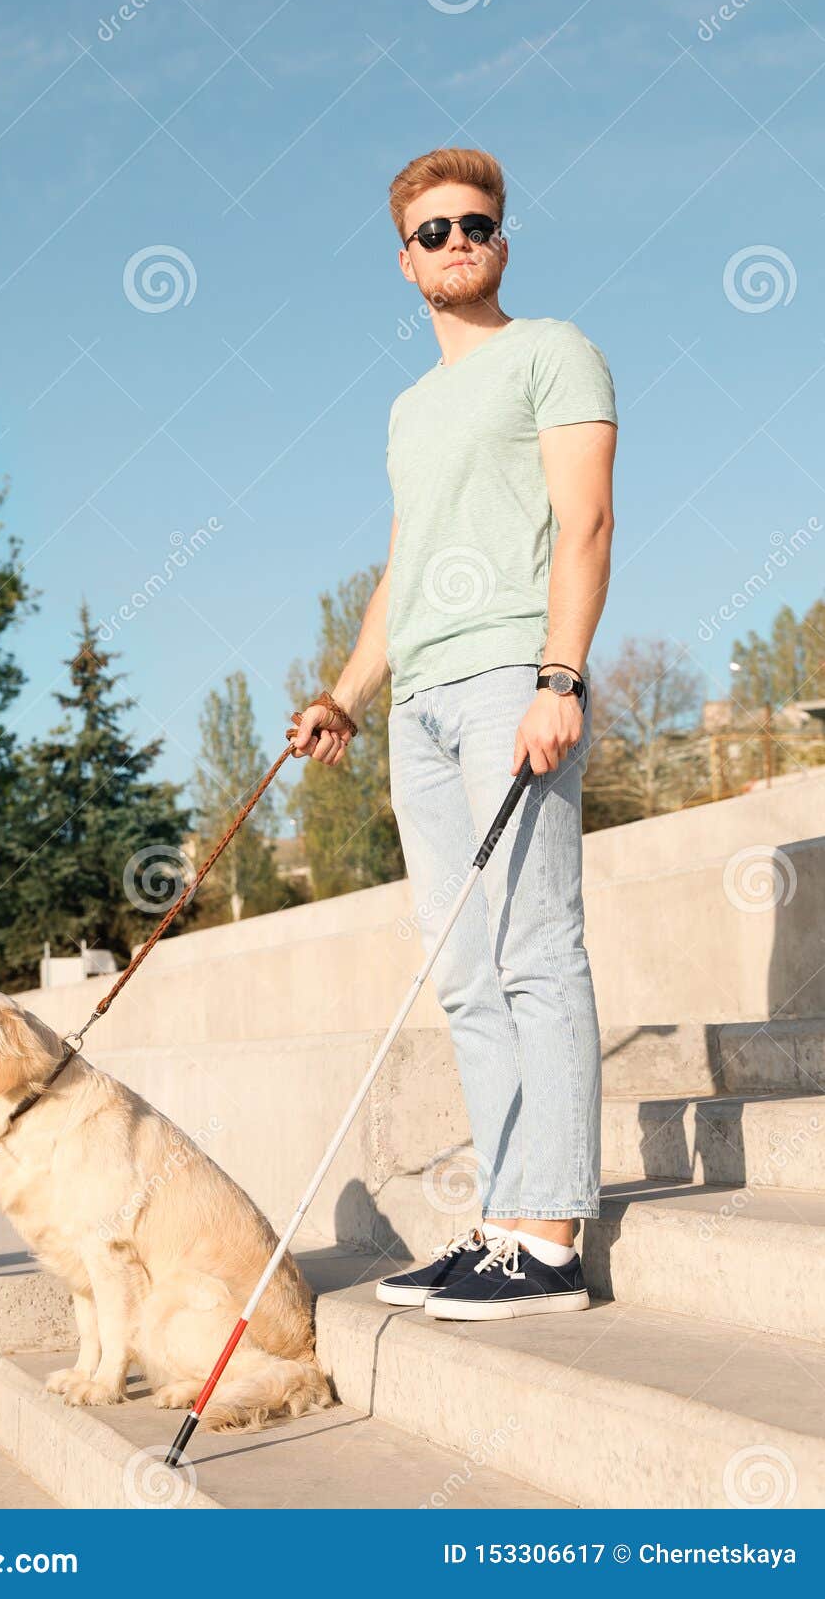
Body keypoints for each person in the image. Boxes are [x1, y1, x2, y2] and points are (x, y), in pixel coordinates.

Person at [290, 146, 617, 1320]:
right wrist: (343, 695)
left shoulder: (552, 352)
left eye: (473, 223)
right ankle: (500, 1220)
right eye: (431, 230)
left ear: (501, 241)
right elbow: (404, 570)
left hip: (508, 682)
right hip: (417, 704)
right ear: (404, 260)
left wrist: (559, 674)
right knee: (464, 975)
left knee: (533, 950)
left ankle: (552, 1236)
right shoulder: (409, 407)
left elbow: (583, 522)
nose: (454, 241)